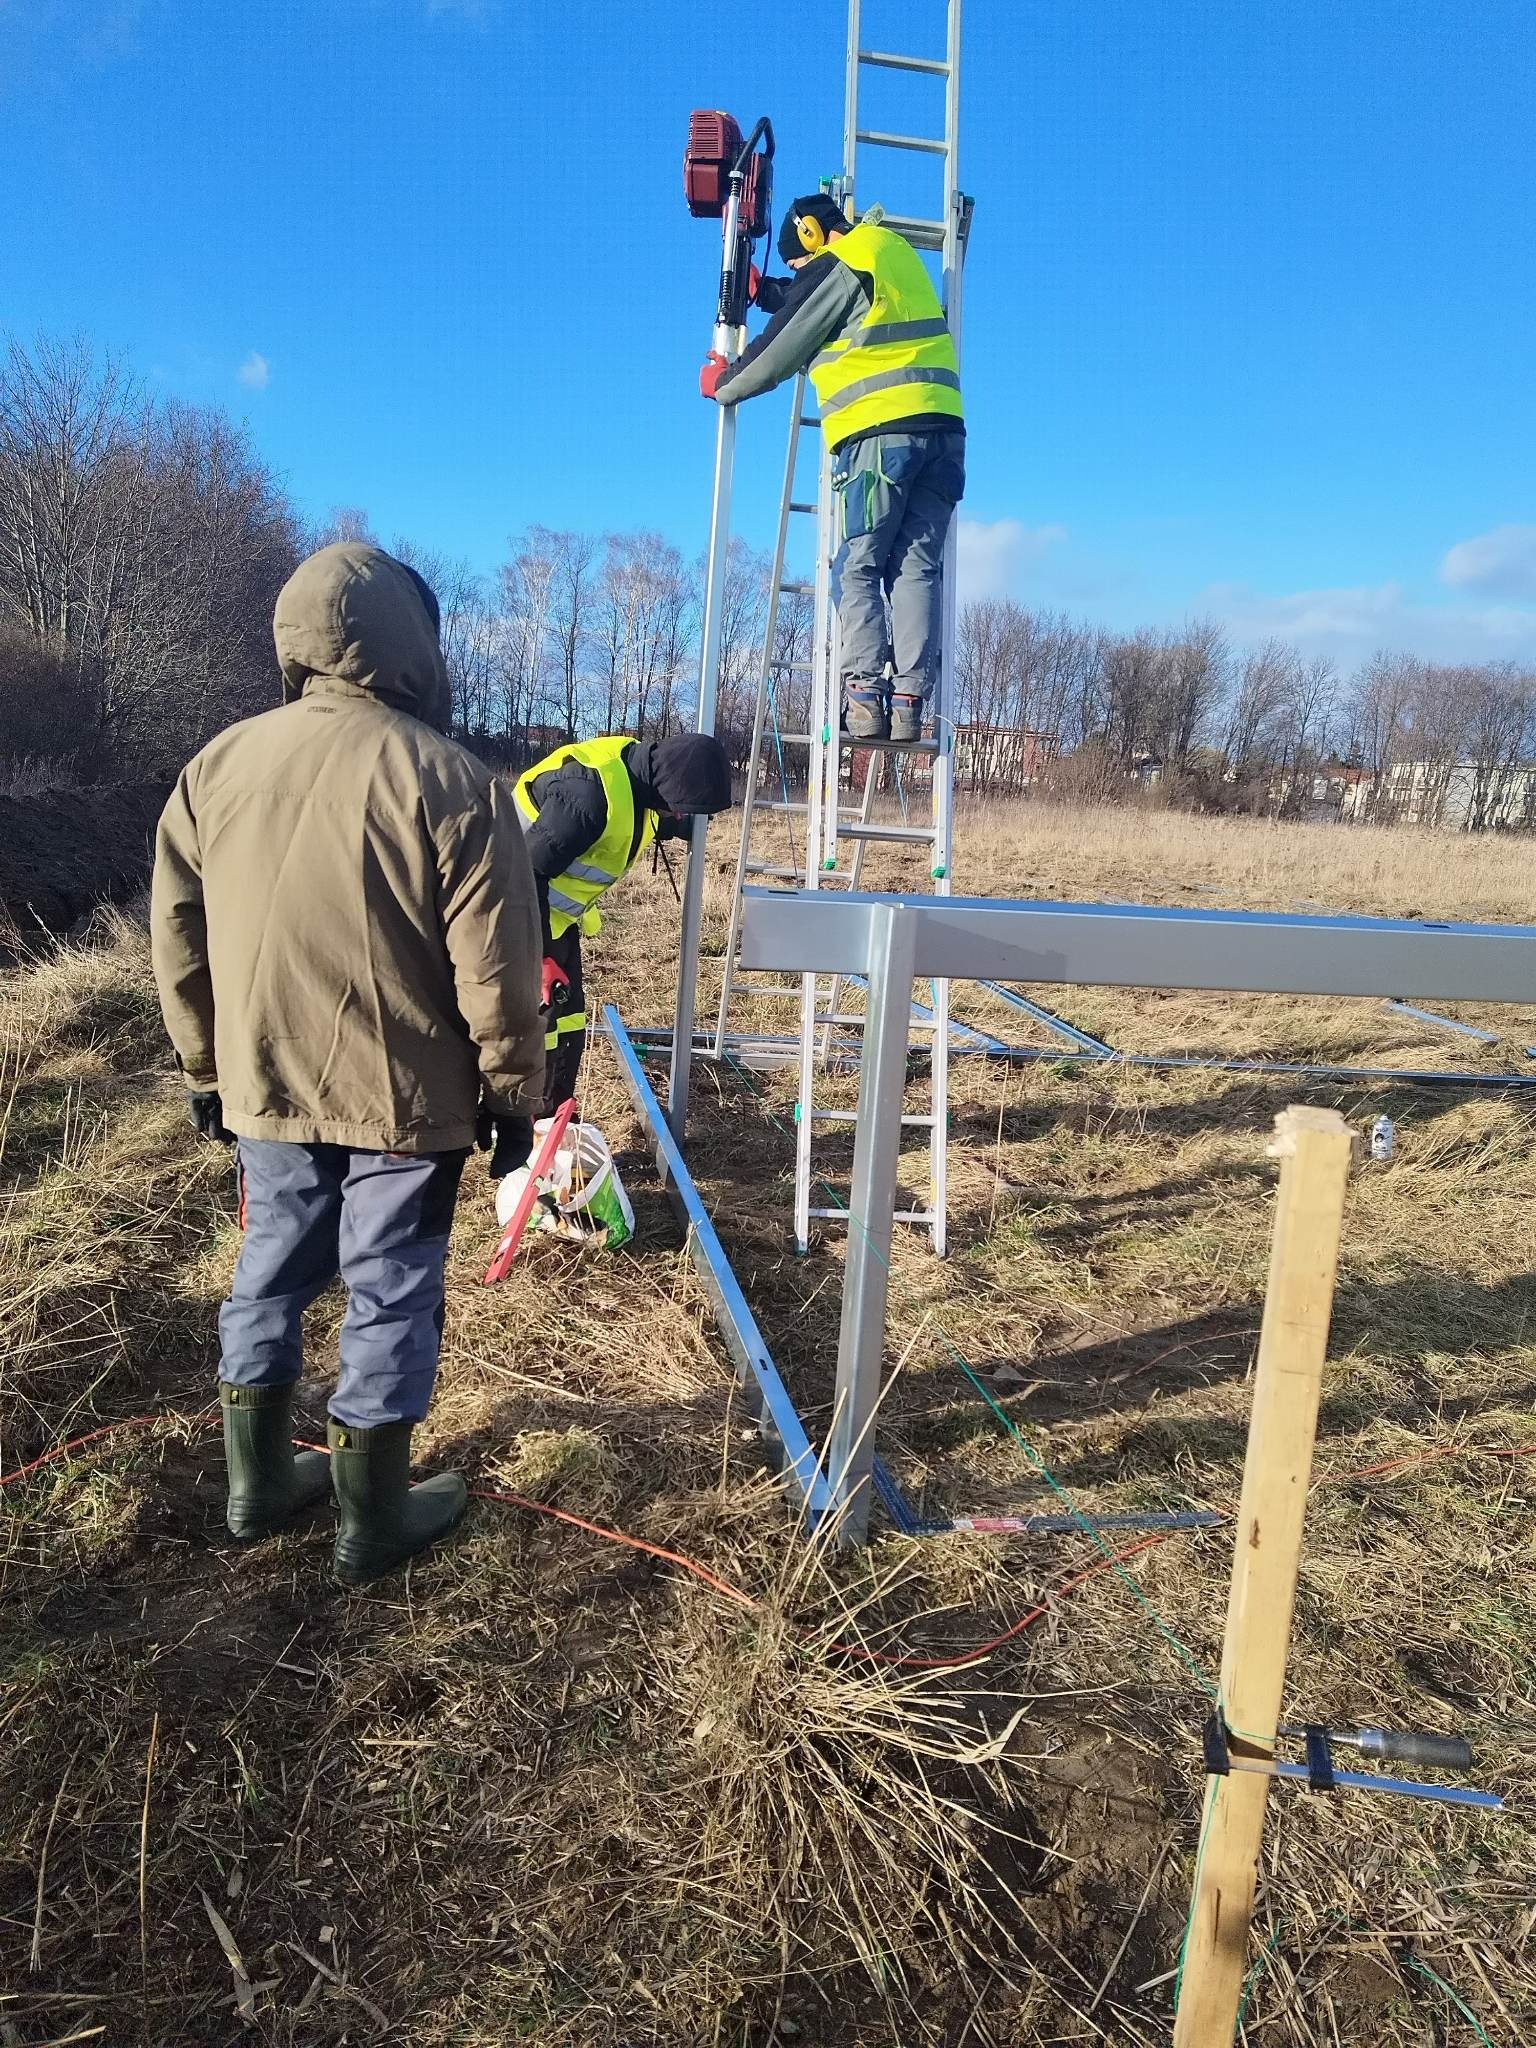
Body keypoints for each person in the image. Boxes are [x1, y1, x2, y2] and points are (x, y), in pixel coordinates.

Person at [151, 542, 544, 1585]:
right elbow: (499, 974)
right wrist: (512, 1095)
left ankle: (258, 1484)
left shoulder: (213, 769)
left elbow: (178, 941)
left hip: (264, 1083)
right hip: (409, 1103)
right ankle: (370, 1520)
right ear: (416, 647)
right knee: (390, 1288)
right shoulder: (457, 781)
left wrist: (205, 1068)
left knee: (270, 1266)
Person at [702, 193, 965, 745]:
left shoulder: (844, 263)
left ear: (815, 235)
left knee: (857, 567)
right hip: (943, 433)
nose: (799, 272)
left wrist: (727, 383)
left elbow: (783, 344)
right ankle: (911, 702)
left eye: (798, 262)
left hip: (880, 436)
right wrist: (766, 291)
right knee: (916, 570)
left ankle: (866, 699)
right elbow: (819, 299)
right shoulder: (887, 248)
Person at [515, 732, 732, 1114]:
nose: (679, 815)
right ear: (667, 789)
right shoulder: (586, 798)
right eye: (679, 808)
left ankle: (558, 1114)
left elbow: (651, 821)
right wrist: (540, 957)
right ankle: (526, 1124)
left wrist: (691, 823)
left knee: (568, 1019)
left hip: (553, 918)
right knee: (539, 1024)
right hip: (510, 912)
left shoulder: (641, 781)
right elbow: (522, 873)